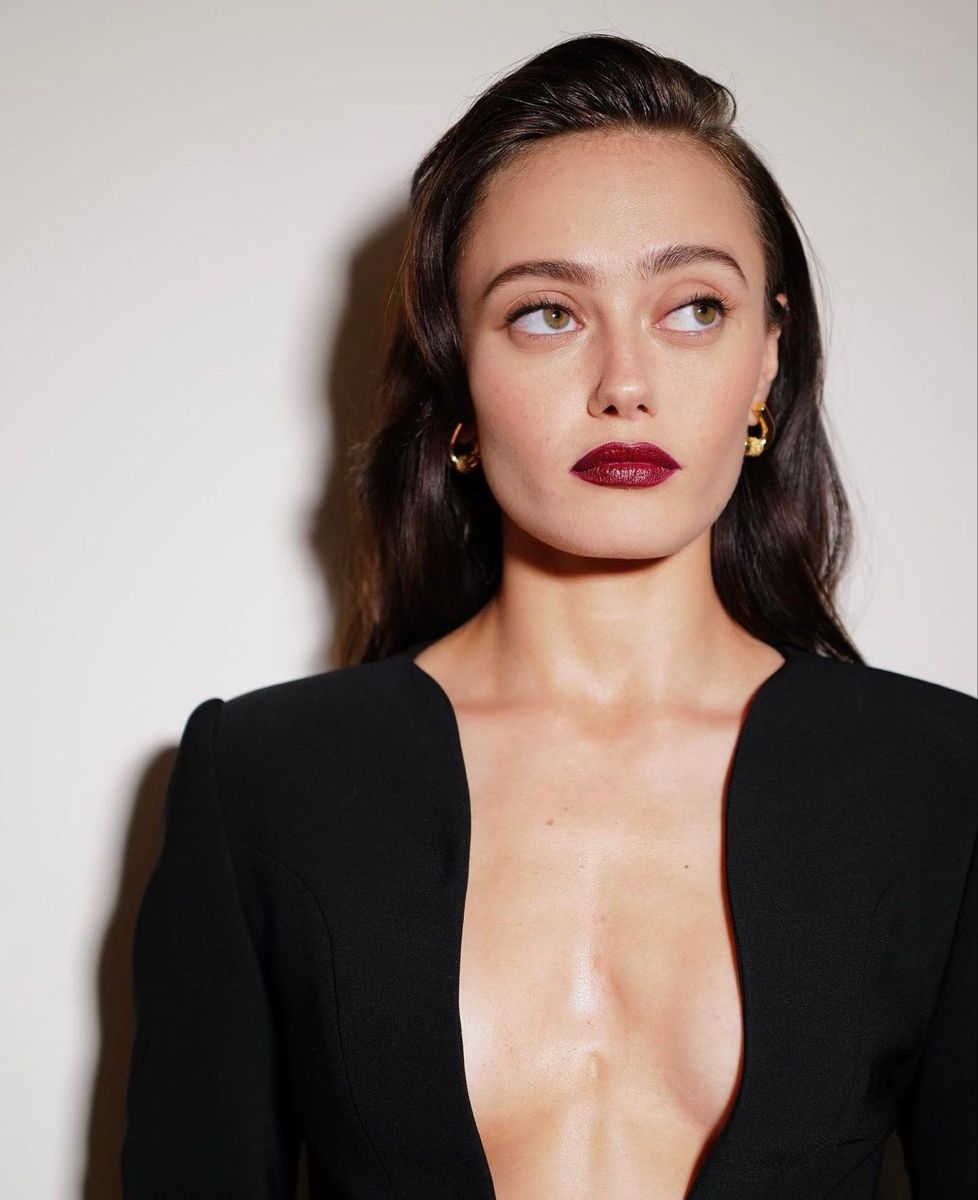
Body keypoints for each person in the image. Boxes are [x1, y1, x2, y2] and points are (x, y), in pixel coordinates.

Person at [121, 33, 976, 1200]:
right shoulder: (261, 779)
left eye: (693, 308)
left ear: (769, 358)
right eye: (545, 314)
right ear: (455, 381)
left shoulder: (942, 781)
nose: (625, 383)